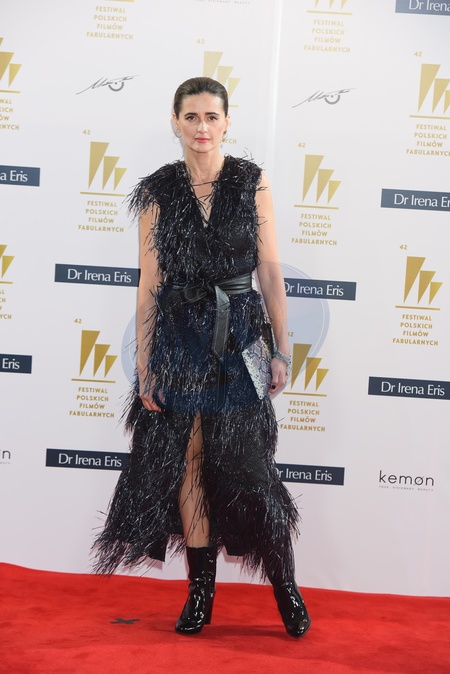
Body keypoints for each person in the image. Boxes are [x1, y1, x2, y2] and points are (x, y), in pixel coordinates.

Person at [94, 76, 311, 638]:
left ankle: (286, 586)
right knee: (189, 461)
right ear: (175, 121)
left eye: (212, 116)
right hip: (179, 339)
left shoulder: (251, 181)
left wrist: (282, 348)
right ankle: (200, 593)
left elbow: (269, 272)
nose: (201, 127)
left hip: (240, 337)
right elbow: (149, 283)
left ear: (227, 122)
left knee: (249, 465)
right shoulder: (157, 191)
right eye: (191, 117)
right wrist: (146, 365)